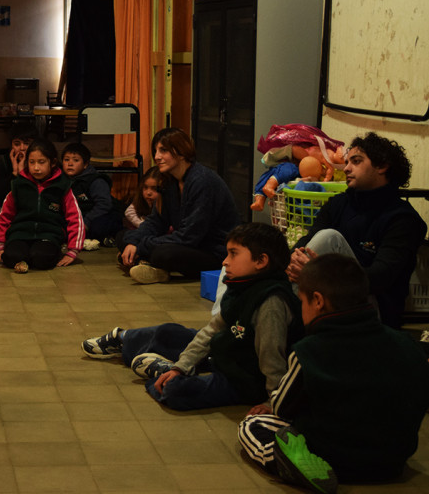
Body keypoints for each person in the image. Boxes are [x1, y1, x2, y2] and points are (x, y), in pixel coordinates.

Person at [239, 254, 429, 493]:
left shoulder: (309, 351)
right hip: (392, 462)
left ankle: (290, 462)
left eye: (302, 301)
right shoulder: (407, 344)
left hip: (332, 458)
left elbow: (281, 407)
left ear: (318, 300)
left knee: (252, 424)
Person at [89, 223, 303, 412]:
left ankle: (164, 372)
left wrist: (272, 402)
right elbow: (211, 331)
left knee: (176, 391)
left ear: (261, 261)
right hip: (225, 356)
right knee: (169, 332)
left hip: (244, 381)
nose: (225, 261)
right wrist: (180, 366)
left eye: (233, 254)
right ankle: (127, 340)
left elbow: (272, 359)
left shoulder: (270, 303)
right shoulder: (242, 284)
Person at [286, 132, 427, 328]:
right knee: (250, 249)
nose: (347, 168)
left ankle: (283, 314)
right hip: (324, 297)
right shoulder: (338, 203)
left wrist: (319, 273)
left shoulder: (402, 219)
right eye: (347, 162)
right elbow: (308, 240)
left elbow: (380, 277)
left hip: (372, 313)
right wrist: (295, 258)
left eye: (356, 161)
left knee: (329, 237)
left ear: (382, 166)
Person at [116, 127, 239, 284]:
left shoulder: (202, 181)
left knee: (163, 253)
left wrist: (140, 246)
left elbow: (189, 236)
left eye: (163, 151)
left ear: (181, 152)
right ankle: (148, 265)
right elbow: (156, 221)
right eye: (155, 151)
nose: (157, 157)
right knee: (123, 236)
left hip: (213, 250)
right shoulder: (170, 180)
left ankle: (145, 261)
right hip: (190, 245)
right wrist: (133, 242)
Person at [0, 138, 84, 271]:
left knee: (41, 258)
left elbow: (75, 218)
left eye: (41, 162)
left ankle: (41, 254)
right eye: (32, 162)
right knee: (12, 257)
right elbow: (4, 216)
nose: (36, 168)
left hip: (49, 236)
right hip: (19, 234)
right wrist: (0, 246)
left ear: (52, 163)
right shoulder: (18, 185)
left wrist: (73, 251)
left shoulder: (62, 186)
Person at [0, 122, 40, 223]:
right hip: (10, 209)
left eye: (27, 143)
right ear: (11, 146)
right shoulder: (5, 162)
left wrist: (24, 173)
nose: (22, 148)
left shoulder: (41, 162)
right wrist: (14, 174)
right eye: (17, 144)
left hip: (35, 209)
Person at [61, 142, 123, 246]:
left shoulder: (95, 180)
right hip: (76, 218)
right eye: (66, 160)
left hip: (96, 216)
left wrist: (86, 222)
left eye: (76, 160)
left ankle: (105, 238)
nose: (70, 164)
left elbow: (104, 204)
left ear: (85, 164)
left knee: (100, 226)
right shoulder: (61, 180)